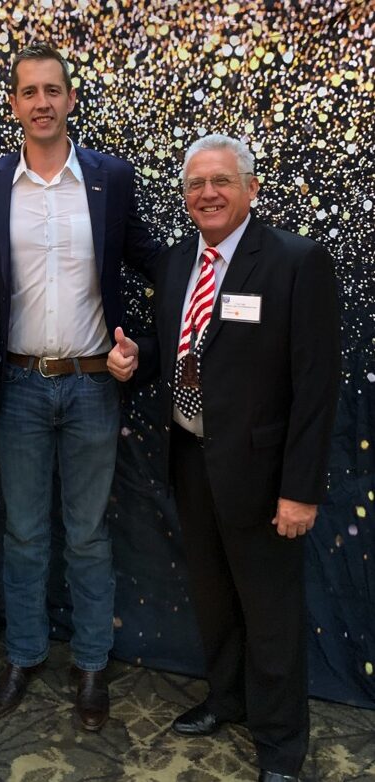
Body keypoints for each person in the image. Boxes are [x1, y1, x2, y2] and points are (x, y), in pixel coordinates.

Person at [107, 134, 340, 781]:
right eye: (195, 185)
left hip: (265, 477)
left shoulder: (297, 262)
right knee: (213, 597)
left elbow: (317, 388)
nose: (207, 194)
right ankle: (228, 700)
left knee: (270, 613)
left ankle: (281, 748)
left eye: (221, 182)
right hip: (189, 460)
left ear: (251, 189)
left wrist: (301, 490)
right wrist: (134, 363)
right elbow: (170, 350)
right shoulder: (179, 261)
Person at [0, 42, 159, 731]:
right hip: (17, 385)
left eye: (54, 89)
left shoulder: (111, 178)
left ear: (72, 99)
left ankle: (90, 666)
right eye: (29, 91)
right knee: (22, 533)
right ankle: (22, 656)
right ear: (14, 103)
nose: (42, 102)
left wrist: (150, 344)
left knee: (87, 536)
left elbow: (148, 262)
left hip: (91, 386)